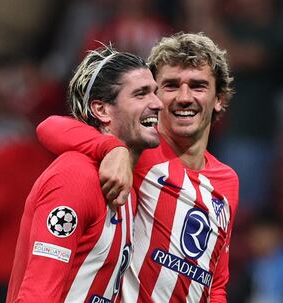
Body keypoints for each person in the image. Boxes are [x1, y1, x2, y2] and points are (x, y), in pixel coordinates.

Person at [37, 32, 239, 302]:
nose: (184, 97)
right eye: (170, 85)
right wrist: (112, 149)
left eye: (198, 86)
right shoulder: (140, 150)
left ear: (219, 99)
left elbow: (216, 284)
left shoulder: (228, 181)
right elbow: (50, 127)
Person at [6, 46, 163, 302]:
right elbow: (37, 295)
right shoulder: (75, 177)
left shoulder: (126, 187)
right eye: (140, 94)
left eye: (155, 92)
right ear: (101, 110)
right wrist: (112, 148)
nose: (157, 103)